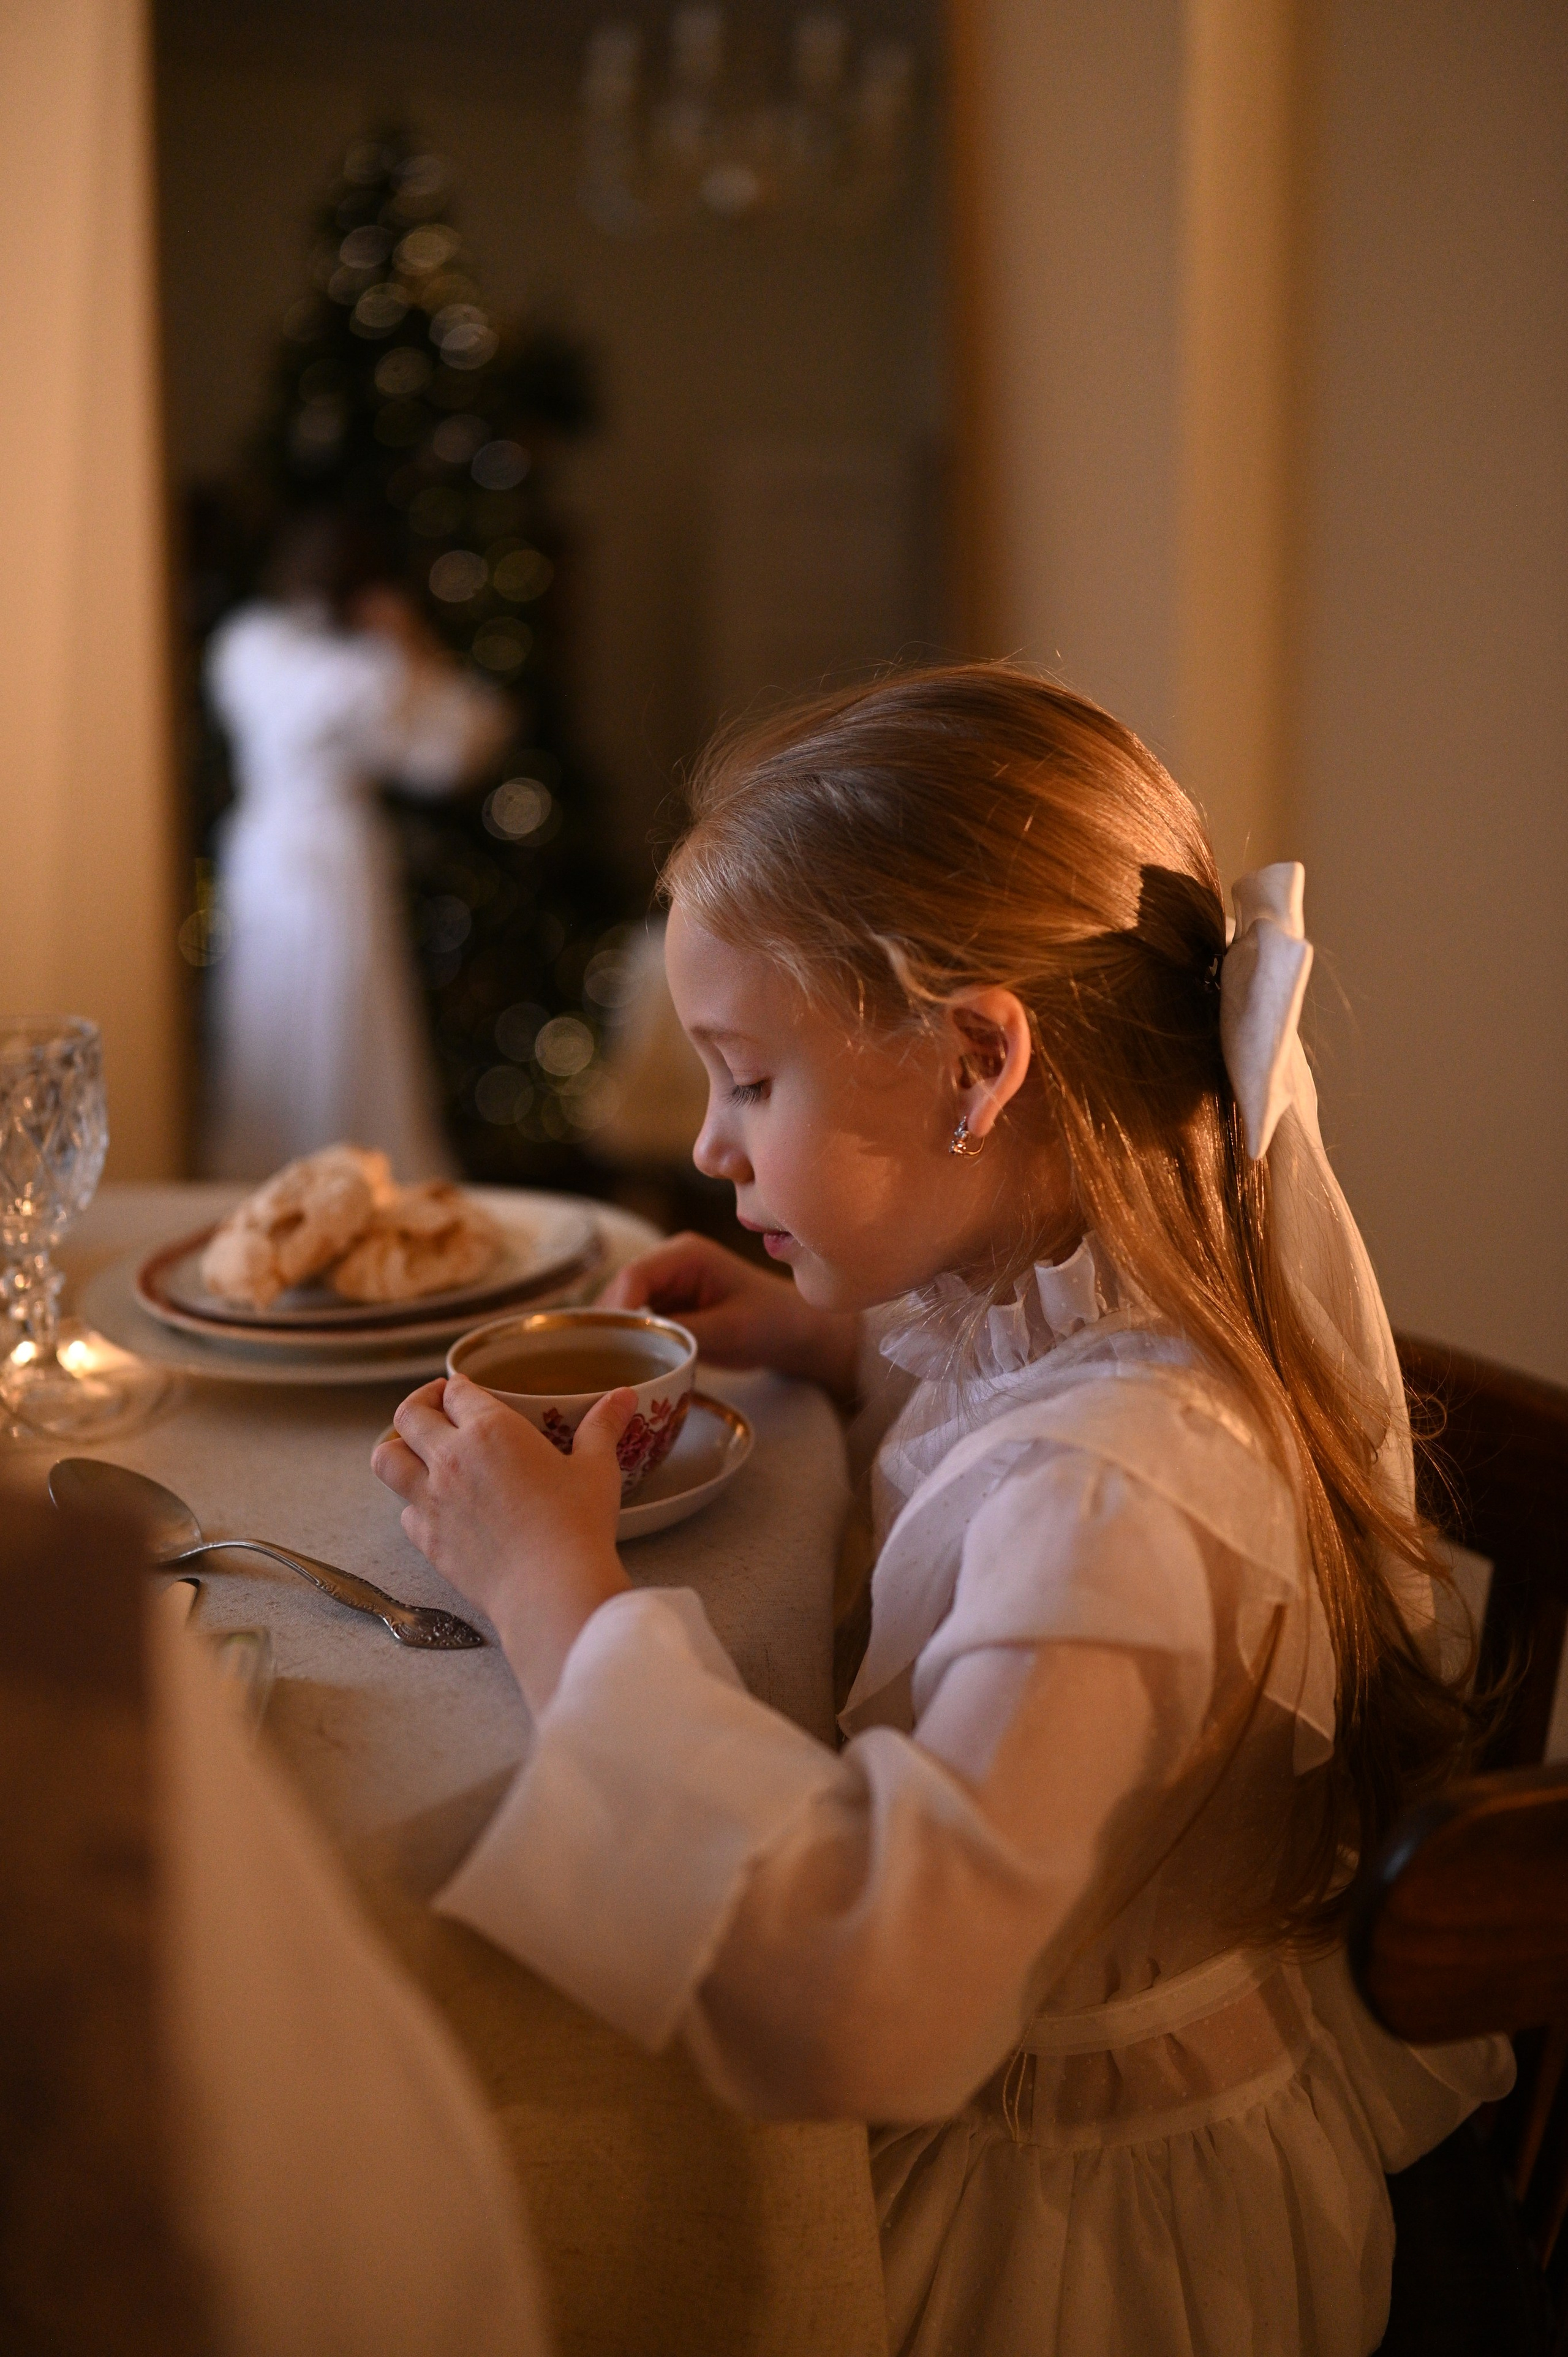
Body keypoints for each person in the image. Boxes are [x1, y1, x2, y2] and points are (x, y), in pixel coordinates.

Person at [371, 665, 1512, 2357]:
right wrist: (825, 1338)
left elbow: (883, 1991)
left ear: (981, 1058)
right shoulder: (1092, 1301)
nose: (708, 1143)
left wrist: (556, 1591)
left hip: (1086, 2245)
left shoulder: (1121, 1496)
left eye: (750, 1079)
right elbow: (990, 1402)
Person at [203, 509, 511, 1179]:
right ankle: (281, 1174)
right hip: (296, 854)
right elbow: (449, 742)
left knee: (342, 1019)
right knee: (282, 1017)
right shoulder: (290, 651)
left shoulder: (266, 647)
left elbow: (455, 751)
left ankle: (345, 1176)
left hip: (323, 857)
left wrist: (404, 653)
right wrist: (403, 651)